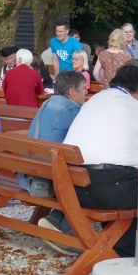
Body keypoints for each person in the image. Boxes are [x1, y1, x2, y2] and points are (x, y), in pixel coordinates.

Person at [62, 64, 138, 258]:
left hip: (74, 186)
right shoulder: (135, 106)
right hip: (107, 187)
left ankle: (110, 246)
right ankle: (116, 254)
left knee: (132, 194)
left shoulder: (94, 99)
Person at [22, 70, 88, 255]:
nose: (86, 93)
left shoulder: (47, 104)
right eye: (83, 89)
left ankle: (55, 221)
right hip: (49, 180)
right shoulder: (73, 110)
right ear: (71, 92)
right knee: (92, 183)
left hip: (30, 174)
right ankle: (61, 226)